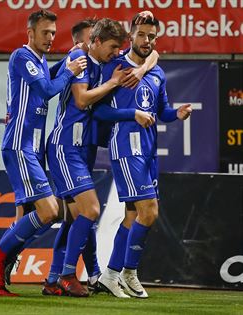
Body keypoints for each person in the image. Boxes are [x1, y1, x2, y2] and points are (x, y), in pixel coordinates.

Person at [43, 17, 157, 298]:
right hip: (65, 146)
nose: (117, 52)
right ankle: (70, 274)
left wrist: (141, 69)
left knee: (73, 218)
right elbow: (82, 100)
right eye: (112, 46)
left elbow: (153, 52)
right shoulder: (80, 57)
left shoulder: (102, 63)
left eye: (120, 47)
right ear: (94, 42)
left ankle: (54, 278)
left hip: (83, 149)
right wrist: (115, 82)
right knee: (91, 210)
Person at [0, 9, 87, 297]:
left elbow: (49, 75)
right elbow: (47, 88)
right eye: (45, 33)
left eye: (53, 33)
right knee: (49, 211)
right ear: (30, 33)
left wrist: (67, 59)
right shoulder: (21, 56)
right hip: (19, 145)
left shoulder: (39, 60)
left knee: (29, 214)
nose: (51, 38)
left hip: (33, 149)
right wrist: (70, 69)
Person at [94, 14, 192, 299]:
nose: (146, 41)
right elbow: (99, 112)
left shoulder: (156, 72)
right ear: (131, 34)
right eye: (142, 34)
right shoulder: (115, 65)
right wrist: (131, 115)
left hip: (149, 149)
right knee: (149, 210)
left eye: (151, 36)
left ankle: (111, 274)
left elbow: (162, 111)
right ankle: (128, 271)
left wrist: (177, 114)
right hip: (126, 146)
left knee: (133, 214)